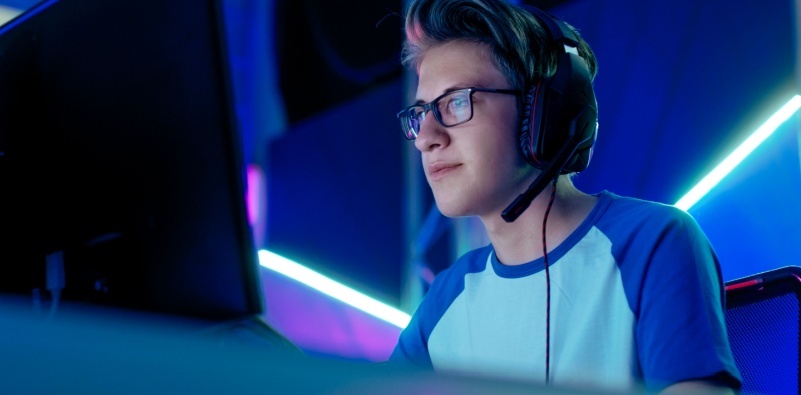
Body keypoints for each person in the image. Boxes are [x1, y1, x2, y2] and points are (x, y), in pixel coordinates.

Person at [388, 0, 742, 393]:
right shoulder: (445, 300)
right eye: (420, 113)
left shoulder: (652, 243)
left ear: (540, 113)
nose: (425, 138)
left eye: (456, 102)